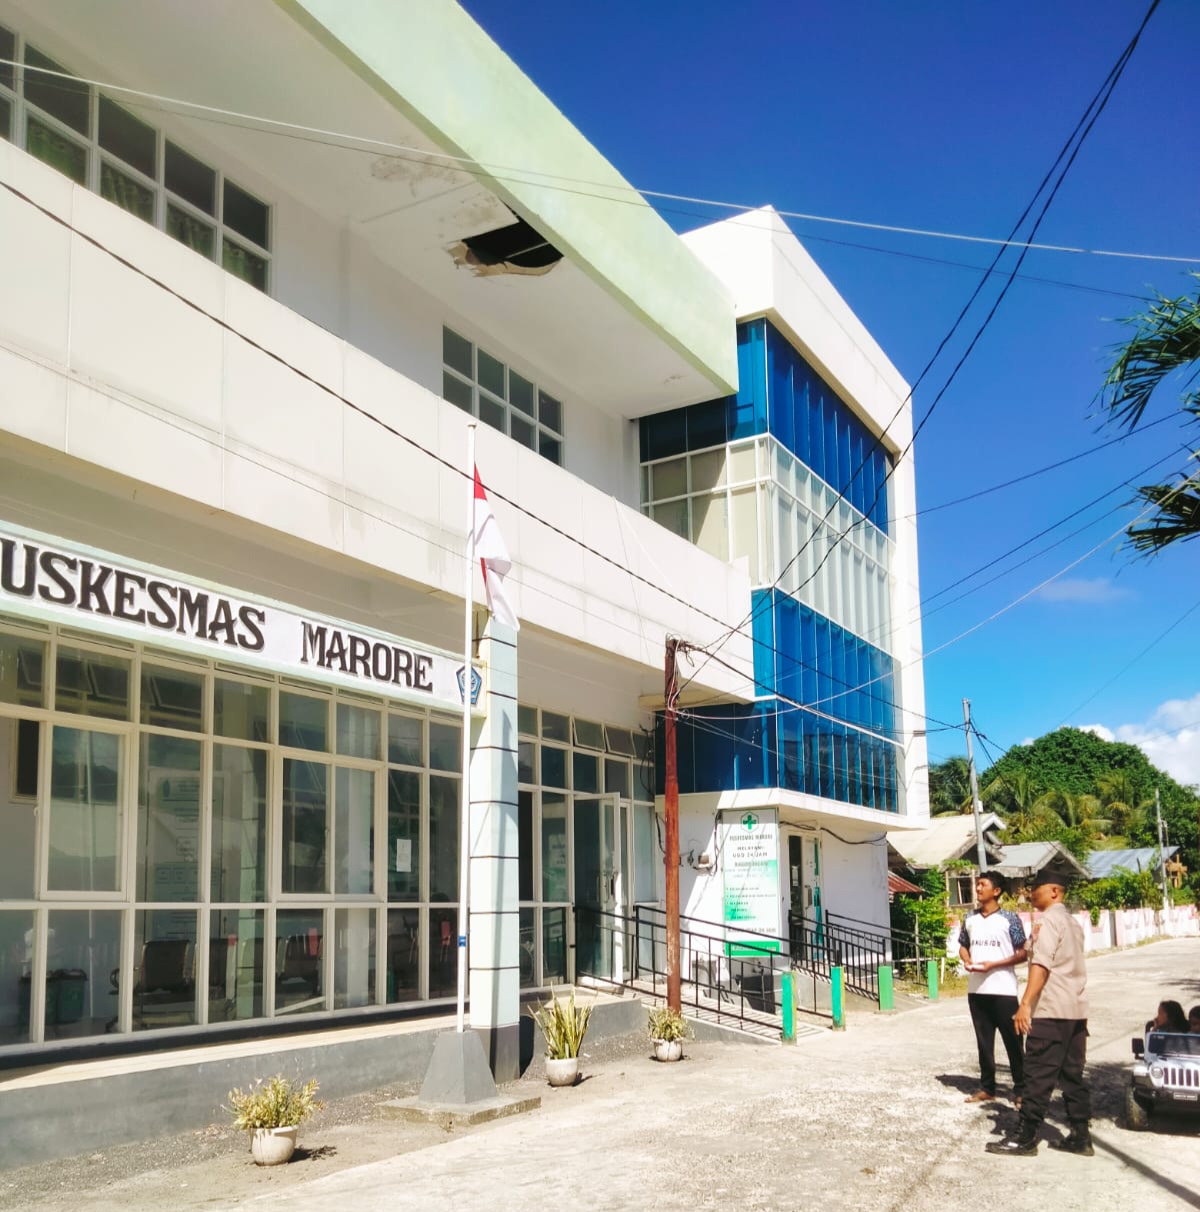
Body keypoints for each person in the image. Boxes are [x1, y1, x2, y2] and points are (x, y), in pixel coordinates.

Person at [985, 872, 1091, 1157]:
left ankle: (1025, 1137)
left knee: (1037, 1075)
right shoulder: (1072, 922)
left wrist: (1025, 1004)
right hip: (1076, 1012)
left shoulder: (1048, 921)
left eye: (1036, 889)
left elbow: (1041, 966)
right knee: (1072, 1077)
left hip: (1051, 1010)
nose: (1031, 893)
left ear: (1054, 891)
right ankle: (1080, 1136)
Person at [958, 871, 1027, 1106]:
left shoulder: (1010, 919)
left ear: (996, 891)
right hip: (977, 990)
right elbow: (963, 945)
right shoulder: (969, 918)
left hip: (1003, 990)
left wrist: (994, 964)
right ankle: (987, 1088)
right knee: (984, 1042)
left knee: (1014, 1042)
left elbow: (1023, 953)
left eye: (983, 885)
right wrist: (967, 960)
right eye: (977, 885)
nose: (978, 889)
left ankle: (1021, 1089)